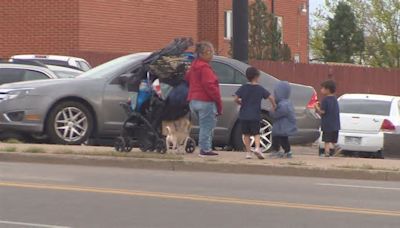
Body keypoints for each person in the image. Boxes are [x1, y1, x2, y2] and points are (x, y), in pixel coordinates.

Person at [185, 41, 222, 157]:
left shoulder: (194, 66)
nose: (212, 55)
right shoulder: (205, 68)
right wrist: (219, 104)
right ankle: (205, 149)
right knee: (207, 125)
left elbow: (187, 78)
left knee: (203, 125)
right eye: (210, 52)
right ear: (204, 53)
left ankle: (205, 147)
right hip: (205, 101)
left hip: (193, 100)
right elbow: (210, 86)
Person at [234, 67, 276, 159]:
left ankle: (248, 153)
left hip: (244, 115)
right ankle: (257, 148)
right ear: (257, 77)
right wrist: (273, 106)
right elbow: (271, 97)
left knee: (246, 134)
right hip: (255, 115)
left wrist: (240, 102)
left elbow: (236, 98)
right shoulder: (260, 89)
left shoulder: (243, 87)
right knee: (256, 133)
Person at [270, 81, 297, 159]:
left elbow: (277, 114)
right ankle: (281, 151)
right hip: (280, 126)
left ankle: (285, 151)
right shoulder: (286, 103)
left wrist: (272, 110)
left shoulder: (283, 104)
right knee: (279, 139)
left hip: (283, 127)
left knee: (282, 139)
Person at [315, 80, 341, 157]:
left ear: (327, 89)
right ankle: (337, 147)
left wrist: (316, 107)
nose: (321, 90)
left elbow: (323, 112)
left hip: (327, 124)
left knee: (327, 140)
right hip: (335, 124)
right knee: (333, 139)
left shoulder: (325, 100)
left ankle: (327, 153)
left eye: (322, 88)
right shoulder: (335, 99)